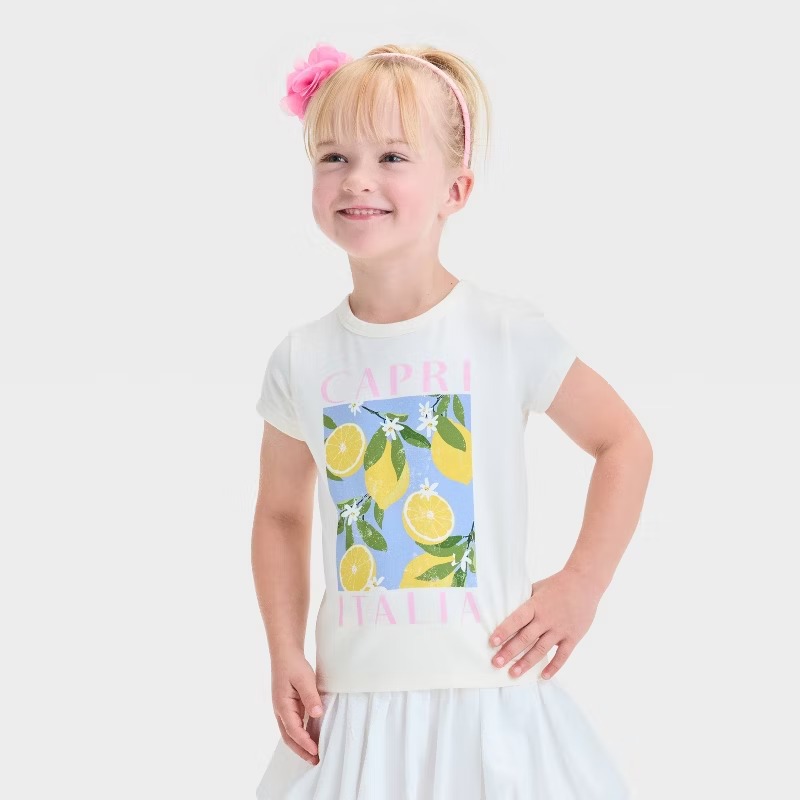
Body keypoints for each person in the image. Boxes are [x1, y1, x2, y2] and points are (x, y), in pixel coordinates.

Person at [252, 41, 652, 799]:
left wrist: (582, 583)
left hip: (490, 705)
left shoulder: (505, 333)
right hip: (352, 715)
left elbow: (622, 442)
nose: (357, 178)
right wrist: (284, 650)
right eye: (333, 157)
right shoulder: (301, 358)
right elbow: (280, 513)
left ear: (456, 189)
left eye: (392, 157)